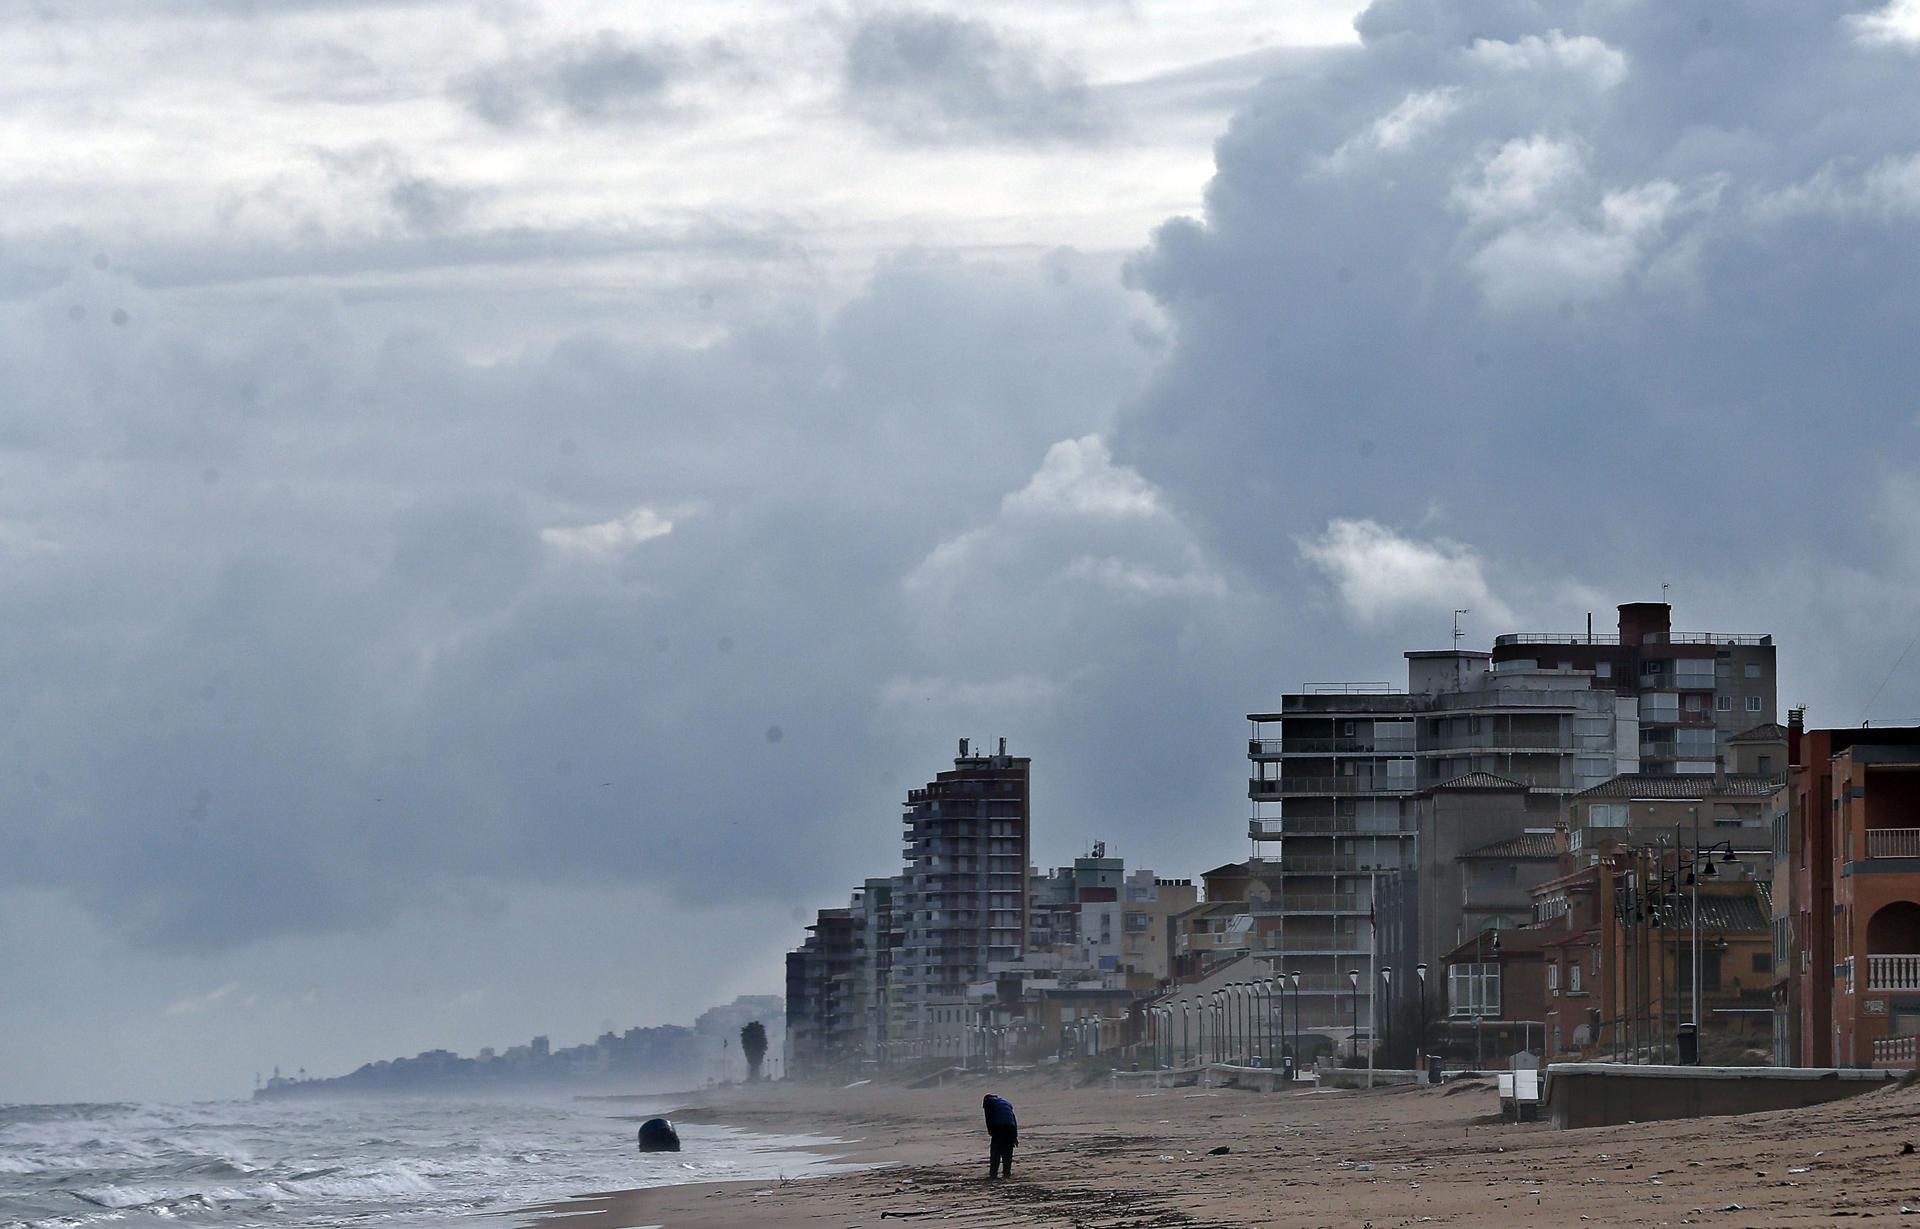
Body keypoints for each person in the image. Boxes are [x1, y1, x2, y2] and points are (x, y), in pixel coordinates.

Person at [982, 1093, 1017, 1178]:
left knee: (996, 1151)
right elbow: (1013, 1118)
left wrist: (991, 1132)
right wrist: (1015, 1136)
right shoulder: (1006, 1103)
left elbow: (989, 1118)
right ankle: (1007, 1173)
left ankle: (993, 1174)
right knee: (1008, 1151)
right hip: (1011, 1127)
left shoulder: (989, 1103)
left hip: (999, 1127)